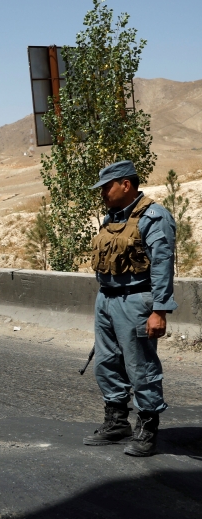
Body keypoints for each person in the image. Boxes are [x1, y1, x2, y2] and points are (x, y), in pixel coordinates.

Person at [83, 160, 176, 457]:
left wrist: (159, 310)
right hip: (106, 299)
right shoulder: (111, 217)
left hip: (136, 300)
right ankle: (117, 422)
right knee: (106, 363)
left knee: (141, 368)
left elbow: (162, 266)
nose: (103, 194)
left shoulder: (154, 216)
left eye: (107, 187)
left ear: (126, 184)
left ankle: (147, 427)